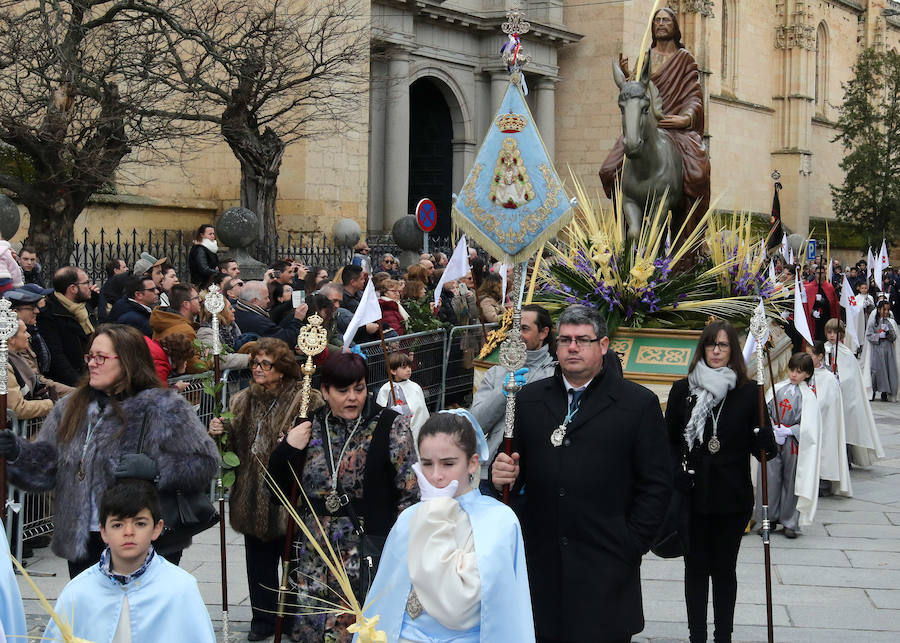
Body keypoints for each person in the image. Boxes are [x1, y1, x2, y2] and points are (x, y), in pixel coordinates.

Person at [491, 304, 671, 642]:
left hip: (606, 563)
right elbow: (510, 468)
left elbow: (657, 483)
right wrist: (499, 474)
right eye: (565, 340)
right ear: (555, 347)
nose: (572, 347)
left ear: (603, 346)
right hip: (542, 566)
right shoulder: (529, 399)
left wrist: (631, 543)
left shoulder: (636, 403)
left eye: (582, 340)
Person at [0, 324, 219, 578]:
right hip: (86, 538)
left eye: (101, 357)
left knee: (139, 616)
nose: (92, 363)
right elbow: (47, 467)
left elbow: (205, 462)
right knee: (92, 616)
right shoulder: (72, 406)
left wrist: (157, 470)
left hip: (143, 537)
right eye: (90, 356)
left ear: (128, 361)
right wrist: (17, 452)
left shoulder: (164, 406)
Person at [267, 351, 418, 642]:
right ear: (324, 391)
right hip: (314, 551)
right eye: (342, 390)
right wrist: (286, 449)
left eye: (358, 388)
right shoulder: (309, 426)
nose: (352, 397)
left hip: (364, 549)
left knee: (358, 629)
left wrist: (397, 551)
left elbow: (409, 493)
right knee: (312, 629)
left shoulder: (390, 425)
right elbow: (277, 492)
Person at [356, 410, 534, 642]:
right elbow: (385, 601)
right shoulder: (409, 518)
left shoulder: (498, 521)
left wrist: (435, 514)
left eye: (448, 463)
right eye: (427, 464)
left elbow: (458, 609)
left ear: (472, 463)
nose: (436, 475)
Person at [665, 320, 775, 643]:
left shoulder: (747, 393)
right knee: (696, 569)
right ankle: (696, 635)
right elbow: (668, 441)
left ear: (733, 352)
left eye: (723, 345)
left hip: (731, 498)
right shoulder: (683, 390)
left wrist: (768, 439)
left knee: (725, 570)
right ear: (702, 348)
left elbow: (762, 450)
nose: (716, 350)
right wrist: (676, 474)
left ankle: (723, 635)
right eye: (711, 344)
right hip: (693, 495)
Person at [209, 338, 321, 641]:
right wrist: (220, 433)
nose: (257, 368)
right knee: (258, 564)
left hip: (288, 495)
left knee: (293, 562)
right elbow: (232, 449)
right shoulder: (241, 400)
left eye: (265, 364)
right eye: (254, 363)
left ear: (282, 369)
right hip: (250, 494)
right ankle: (263, 618)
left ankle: (295, 617)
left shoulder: (306, 399)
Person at [44, 479, 216, 643]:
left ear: (157, 528)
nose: (128, 532)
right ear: (103, 531)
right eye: (117, 525)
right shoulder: (78, 592)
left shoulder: (180, 588)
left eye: (140, 524)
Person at [600, 7, 710, 220]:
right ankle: (623, 220)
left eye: (666, 20)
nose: (661, 24)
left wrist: (686, 118)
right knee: (608, 170)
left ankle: (691, 226)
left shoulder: (684, 59)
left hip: (675, 126)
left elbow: (694, 96)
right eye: (657, 20)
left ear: (675, 26)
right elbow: (636, 91)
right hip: (644, 127)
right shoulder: (645, 57)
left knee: (699, 172)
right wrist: (627, 77)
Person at [471, 304, 556, 487]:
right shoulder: (496, 373)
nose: (516, 335)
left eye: (524, 329)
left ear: (543, 333)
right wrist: (502, 393)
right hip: (492, 473)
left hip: (535, 476)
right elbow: (476, 423)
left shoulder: (555, 374)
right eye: (513, 328)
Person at [756, 352, 822, 539]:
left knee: (792, 480)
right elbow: (765, 410)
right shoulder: (777, 389)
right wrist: (771, 428)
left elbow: (810, 425)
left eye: (799, 372)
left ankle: (790, 521)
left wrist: (790, 431)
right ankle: (768, 519)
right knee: (769, 478)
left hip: (794, 443)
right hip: (774, 440)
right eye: (792, 370)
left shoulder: (808, 397)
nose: (794, 374)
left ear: (807, 374)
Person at [824, 319, 884, 466]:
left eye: (835, 332)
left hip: (845, 399)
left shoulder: (847, 354)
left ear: (842, 334)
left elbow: (851, 378)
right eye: (829, 332)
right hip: (827, 398)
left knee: (845, 428)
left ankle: (846, 458)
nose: (832, 336)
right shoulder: (822, 350)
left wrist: (839, 380)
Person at [806, 341, 852, 498]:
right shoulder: (803, 375)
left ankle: (824, 482)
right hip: (807, 423)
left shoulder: (828, 378)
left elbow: (830, 402)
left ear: (820, 356)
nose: (806, 357)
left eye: (810, 354)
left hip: (824, 422)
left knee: (825, 448)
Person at [38, 266, 97, 386]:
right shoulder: (49, 315)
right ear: (73, 288)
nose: (90, 286)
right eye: (86, 282)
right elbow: (57, 358)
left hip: (92, 371)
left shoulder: (82, 305)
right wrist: (81, 385)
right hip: (71, 383)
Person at [149, 283, 205, 372]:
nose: (200, 300)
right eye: (196, 298)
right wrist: (211, 361)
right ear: (186, 304)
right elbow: (193, 366)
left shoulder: (165, 320)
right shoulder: (185, 331)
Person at [5, 320, 56, 418]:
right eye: (24, 332)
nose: (28, 335)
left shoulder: (17, 356)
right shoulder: (5, 365)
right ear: (11, 338)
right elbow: (17, 408)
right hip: (14, 431)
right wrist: (51, 404)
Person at [376, 351, 429, 440]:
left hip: (416, 429)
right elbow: (380, 411)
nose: (408, 370)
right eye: (404, 367)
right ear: (393, 371)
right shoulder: (386, 389)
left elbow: (421, 410)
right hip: (396, 431)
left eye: (409, 366)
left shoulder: (415, 387)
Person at [234, 280, 306, 345]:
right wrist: (297, 319)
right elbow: (284, 340)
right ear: (255, 301)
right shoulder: (257, 321)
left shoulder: (236, 309)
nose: (268, 300)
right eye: (266, 298)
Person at [197, 296, 250, 369]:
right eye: (230, 308)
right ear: (220, 312)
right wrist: (248, 358)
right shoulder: (206, 332)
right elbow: (218, 360)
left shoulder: (232, 327)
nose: (234, 310)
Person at [865, 300, 899, 401]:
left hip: (888, 350)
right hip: (877, 350)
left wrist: (888, 332)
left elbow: (894, 337)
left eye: (888, 310)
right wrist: (878, 336)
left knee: (887, 370)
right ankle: (874, 390)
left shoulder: (890, 322)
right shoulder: (873, 322)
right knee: (876, 371)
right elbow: (869, 335)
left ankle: (885, 392)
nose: (886, 312)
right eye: (884, 309)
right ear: (879, 310)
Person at [803, 264, 839, 341]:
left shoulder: (829, 287)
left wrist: (823, 300)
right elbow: (807, 306)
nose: (820, 275)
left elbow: (833, 304)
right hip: (814, 320)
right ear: (814, 273)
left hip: (826, 318)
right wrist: (812, 312)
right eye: (818, 273)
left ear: (825, 273)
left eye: (822, 273)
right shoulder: (809, 287)